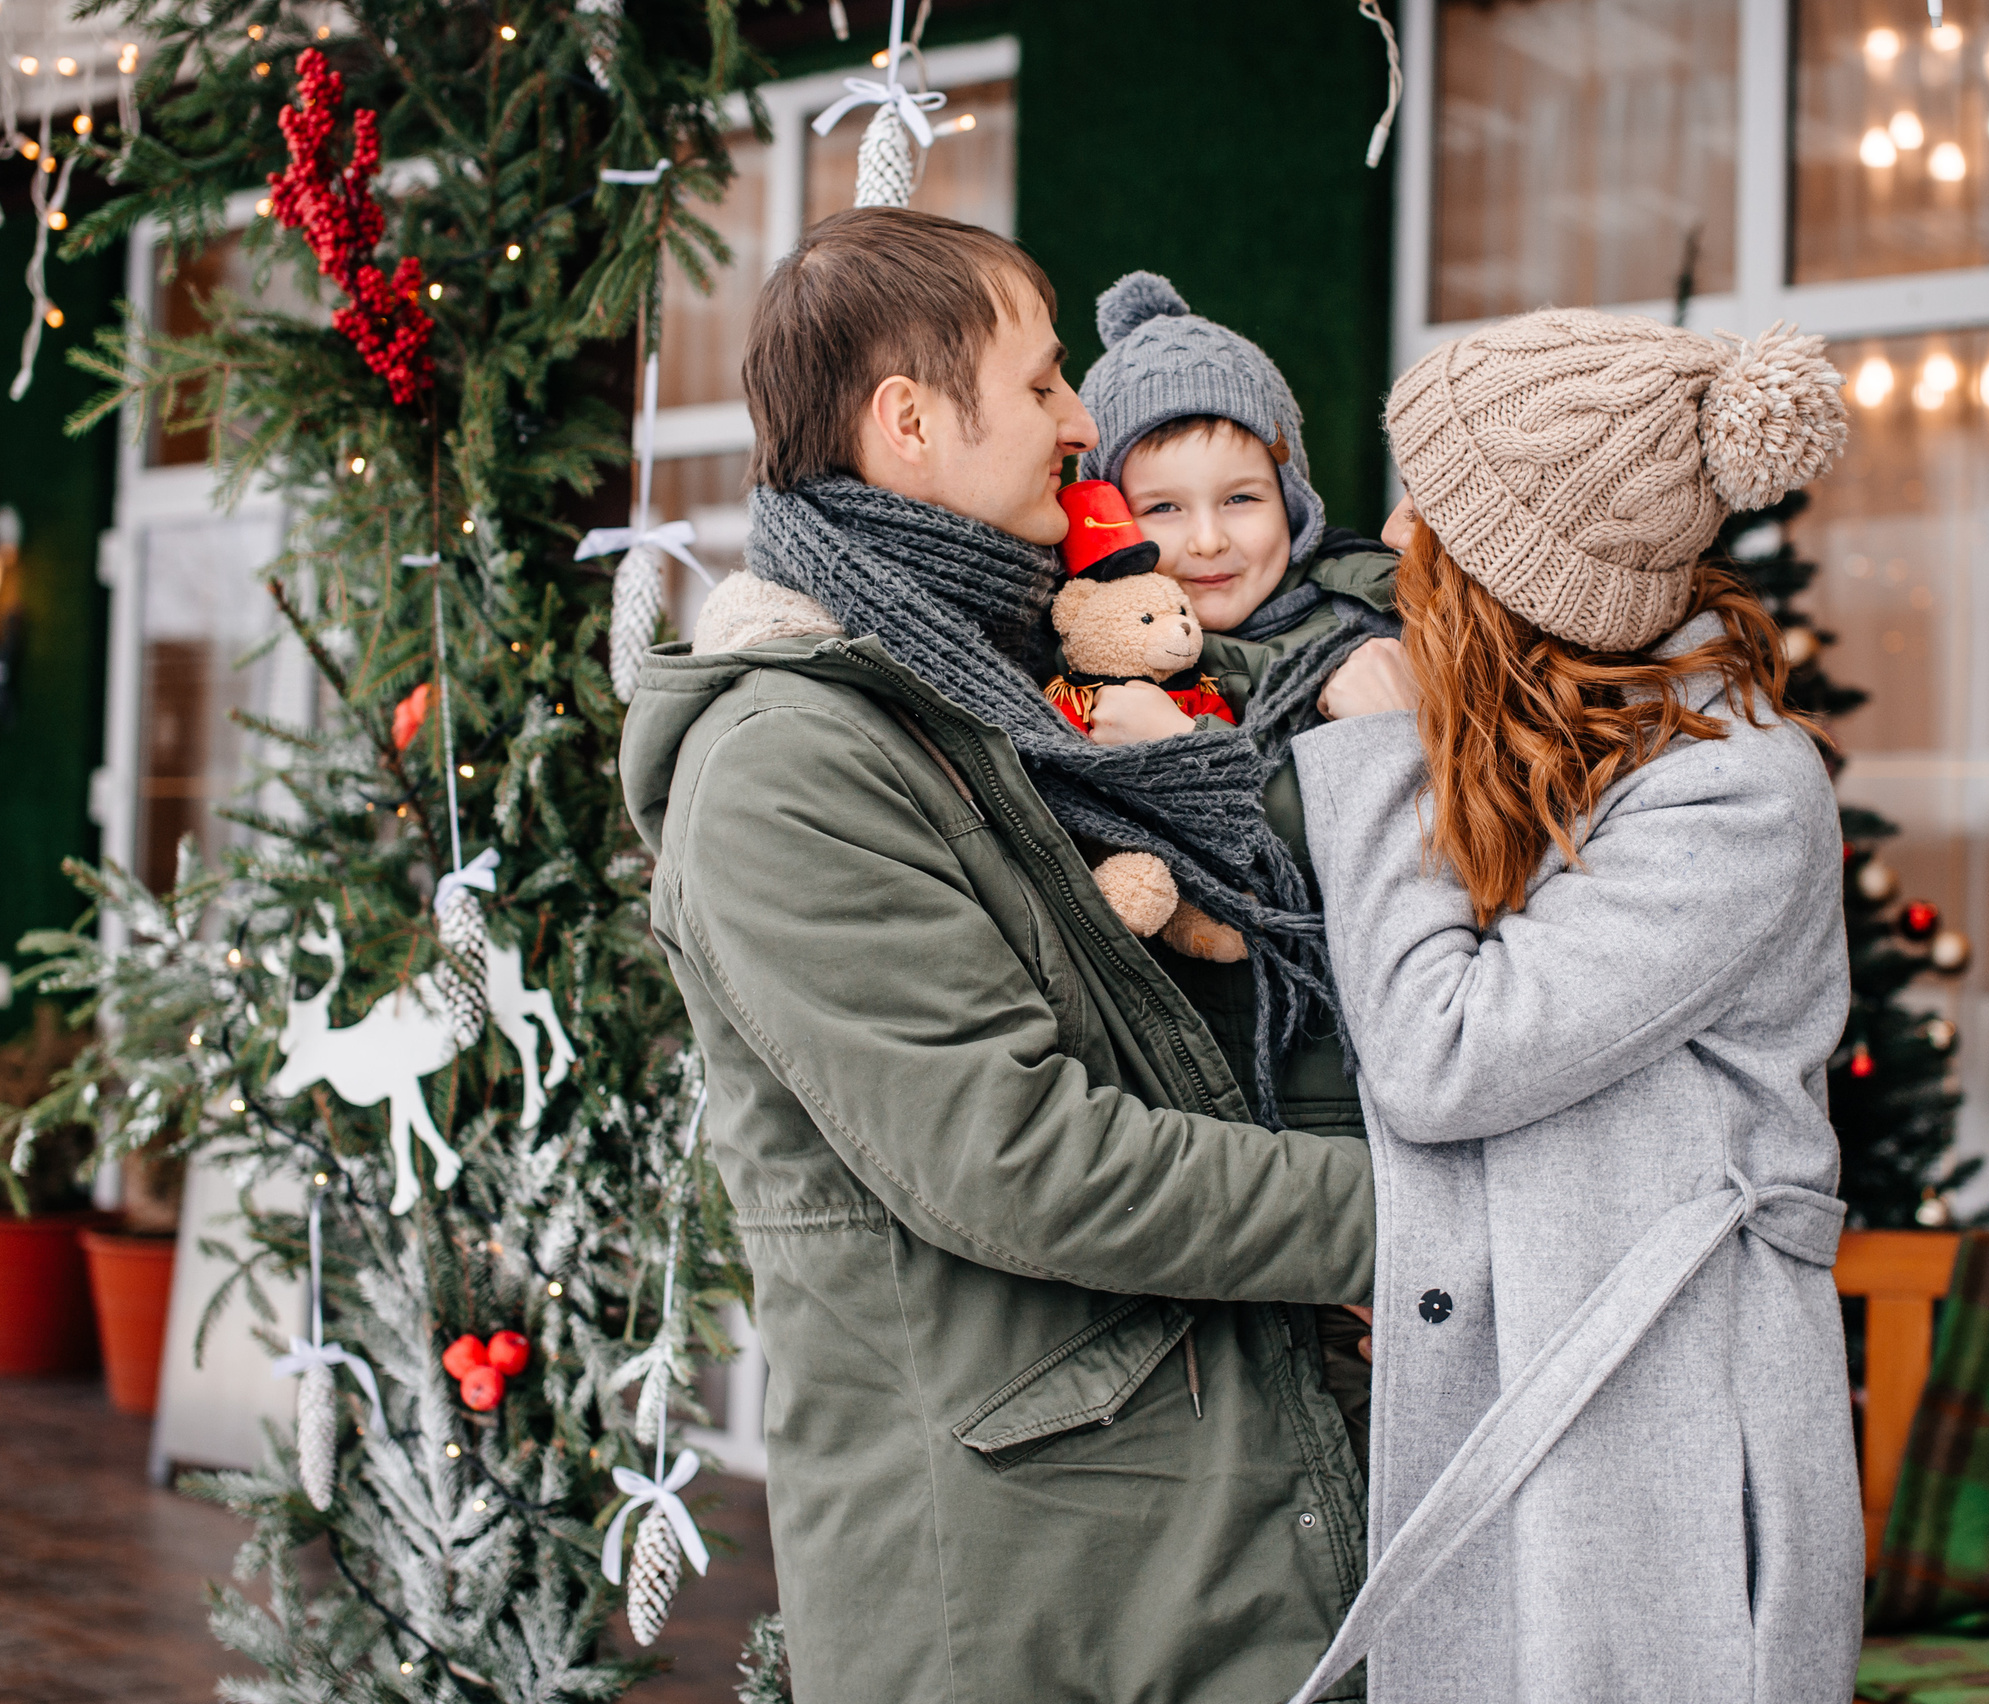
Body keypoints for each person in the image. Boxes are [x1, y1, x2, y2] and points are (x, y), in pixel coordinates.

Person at [619, 208, 1374, 1704]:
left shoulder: (1007, 687)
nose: (1083, 420)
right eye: (1040, 386)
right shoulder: (790, 765)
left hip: (1169, 1526)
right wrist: (1425, 1218)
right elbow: (1018, 1158)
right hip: (1026, 1584)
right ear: (908, 422)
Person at [1279, 309, 1865, 1703]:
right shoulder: (1559, 750)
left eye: (1436, 502)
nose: (1396, 526)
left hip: (1658, 1427)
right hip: (1549, 1388)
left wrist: (1371, 755)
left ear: (1525, 572)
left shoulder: (1736, 797)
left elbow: (1446, 1051)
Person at [1069, 270, 1402, 1460]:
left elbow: (1391, 908)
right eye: (1162, 506)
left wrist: (1209, 775)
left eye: (1243, 497)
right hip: (1185, 1174)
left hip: (1342, 1140)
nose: (1207, 541)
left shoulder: (1365, 659)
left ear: (1294, 495)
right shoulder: (1090, 671)